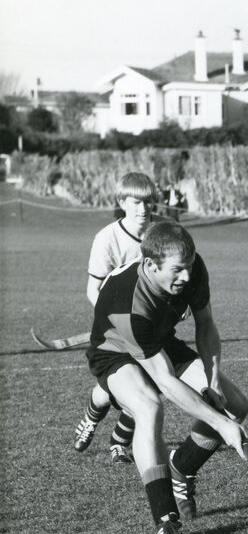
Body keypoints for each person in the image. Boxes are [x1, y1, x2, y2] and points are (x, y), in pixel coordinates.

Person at [87, 221, 248, 534]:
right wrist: (220, 425)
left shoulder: (194, 268)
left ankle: (182, 468)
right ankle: (165, 522)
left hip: (160, 339)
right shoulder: (127, 302)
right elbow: (165, 380)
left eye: (188, 266)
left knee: (236, 406)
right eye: (177, 270)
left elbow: (206, 324)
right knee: (149, 406)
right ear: (150, 265)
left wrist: (213, 381)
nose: (186, 276)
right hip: (114, 352)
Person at [73, 172, 170, 464]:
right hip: (115, 329)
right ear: (121, 202)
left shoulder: (162, 233)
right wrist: (117, 322)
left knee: (151, 385)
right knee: (111, 389)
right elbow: (93, 289)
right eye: (136, 202)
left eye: (148, 201)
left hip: (151, 325)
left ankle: (119, 443)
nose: (144, 208)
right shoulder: (107, 238)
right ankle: (92, 418)